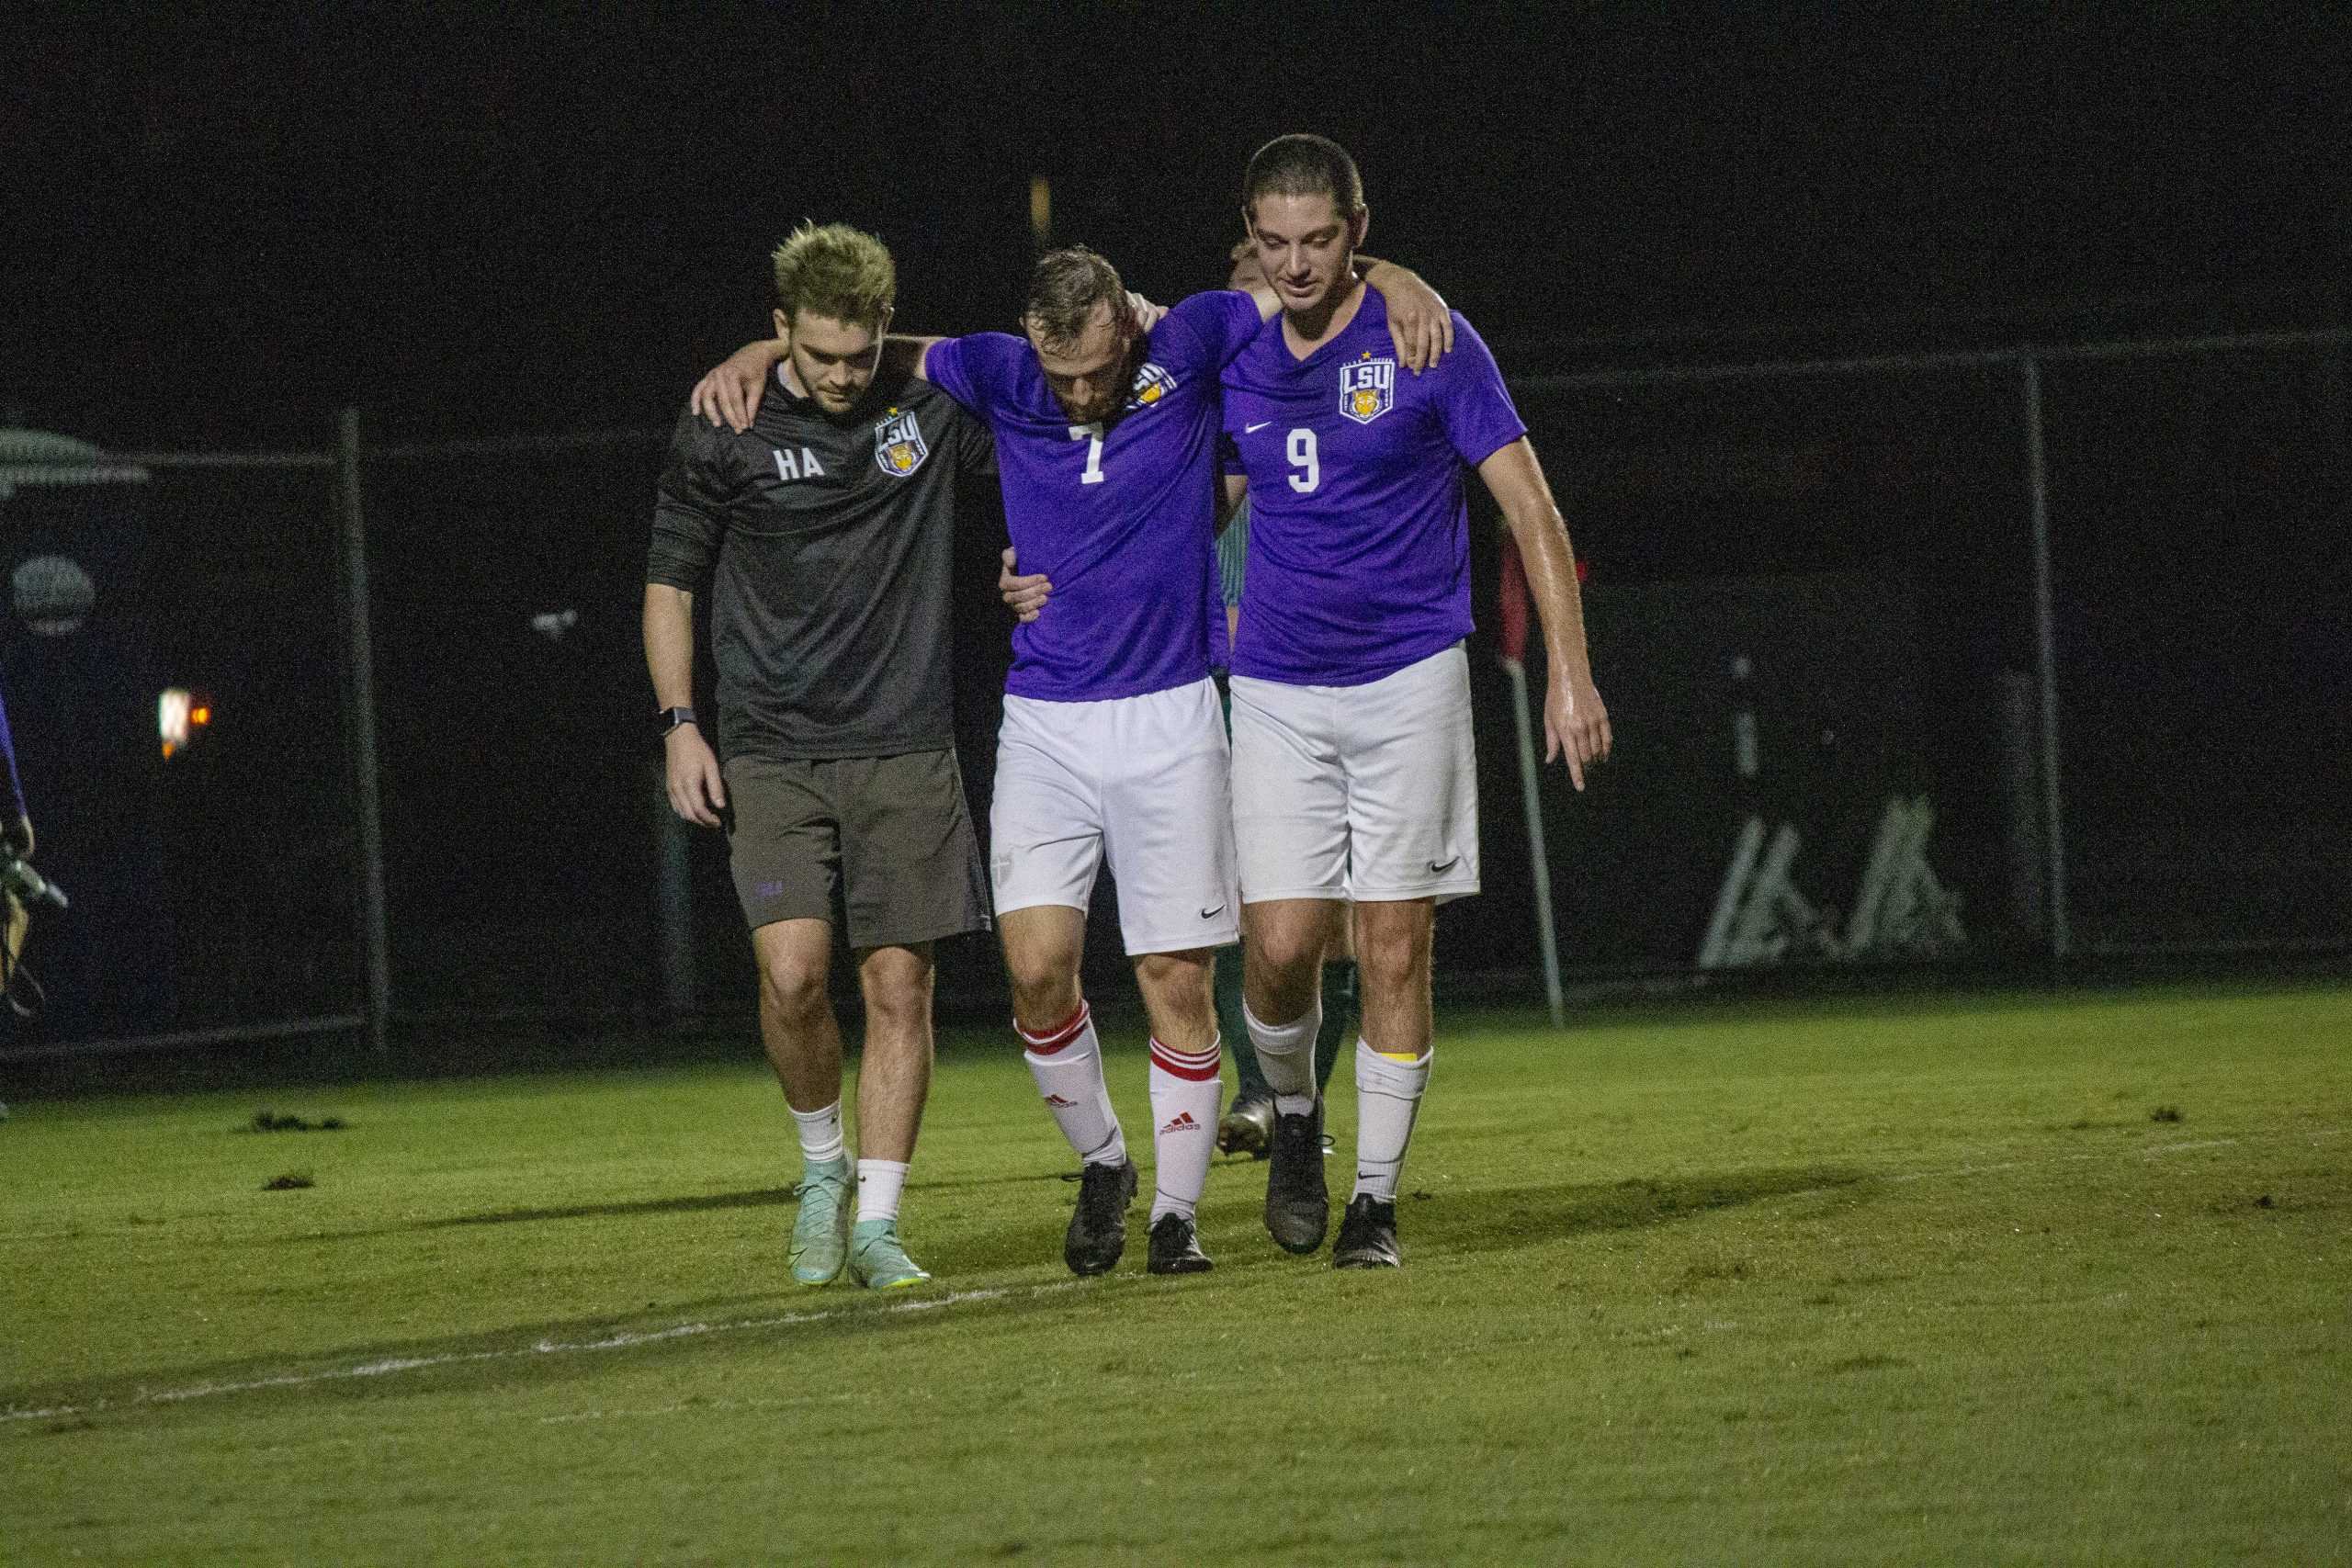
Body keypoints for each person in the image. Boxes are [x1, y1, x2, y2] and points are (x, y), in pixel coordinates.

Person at [695, 245, 1450, 1277]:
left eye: (1099, 372)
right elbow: (875, 351)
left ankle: (1175, 1220)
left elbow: (1313, 284)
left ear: (1127, 328)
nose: (1084, 394)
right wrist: (755, 349)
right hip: (1045, 720)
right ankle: (1104, 1161)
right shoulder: (1002, 371)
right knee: (1038, 972)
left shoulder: (1188, 336)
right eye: (1065, 380)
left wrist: (1401, 279)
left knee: (1172, 976)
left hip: (1173, 711)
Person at [1220, 135, 1611, 1269]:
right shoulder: (1230, 348)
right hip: (1281, 686)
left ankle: (1375, 1205)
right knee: (1280, 947)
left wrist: (1567, 672)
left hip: (1409, 681)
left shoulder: (1425, 340)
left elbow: (1529, 509)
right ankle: (1294, 1118)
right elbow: (1162, 450)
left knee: (1393, 948)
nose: (1297, 265)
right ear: (1250, 234)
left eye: (1323, 241)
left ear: (1358, 230)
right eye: (1275, 242)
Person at [646, 220, 996, 1291]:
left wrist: (897, 357)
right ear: (778, 328)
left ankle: (879, 1224)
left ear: (886, 333)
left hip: (905, 745)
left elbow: (1029, 380)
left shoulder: (928, 407)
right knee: (793, 979)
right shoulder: (724, 424)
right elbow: (671, 584)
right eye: (817, 353)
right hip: (769, 748)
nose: (841, 377)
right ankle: (818, 1172)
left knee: (900, 988)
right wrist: (678, 724)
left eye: (861, 354)